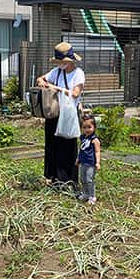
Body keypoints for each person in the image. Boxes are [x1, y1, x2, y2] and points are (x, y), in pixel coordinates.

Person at [36, 42, 86, 186]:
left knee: (67, 145)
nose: (60, 64)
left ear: (70, 61)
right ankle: (52, 177)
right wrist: (41, 81)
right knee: (52, 145)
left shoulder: (78, 74)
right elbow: (42, 78)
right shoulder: (56, 71)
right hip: (54, 112)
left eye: (62, 62)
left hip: (69, 114)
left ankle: (68, 179)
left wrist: (56, 88)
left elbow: (76, 94)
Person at [76, 115, 101, 204]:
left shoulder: (95, 140)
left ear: (94, 127)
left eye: (89, 127)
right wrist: (78, 159)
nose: (87, 129)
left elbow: (97, 152)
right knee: (82, 179)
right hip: (83, 162)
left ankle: (92, 196)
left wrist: (97, 162)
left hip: (91, 164)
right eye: (84, 127)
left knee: (89, 179)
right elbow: (81, 149)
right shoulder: (82, 138)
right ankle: (85, 193)